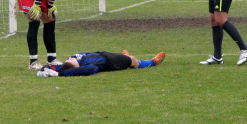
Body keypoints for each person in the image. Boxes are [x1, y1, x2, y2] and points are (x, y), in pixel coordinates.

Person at [36, 50, 166, 77]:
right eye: (69, 60)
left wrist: (43, 69)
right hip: (110, 61)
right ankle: (152, 62)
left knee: (127, 57)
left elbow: (54, 67)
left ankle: (125, 56)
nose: (68, 58)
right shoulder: (89, 65)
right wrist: (58, 76)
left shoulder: (67, 63)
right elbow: (88, 71)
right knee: (132, 60)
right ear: (77, 66)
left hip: (102, 52)